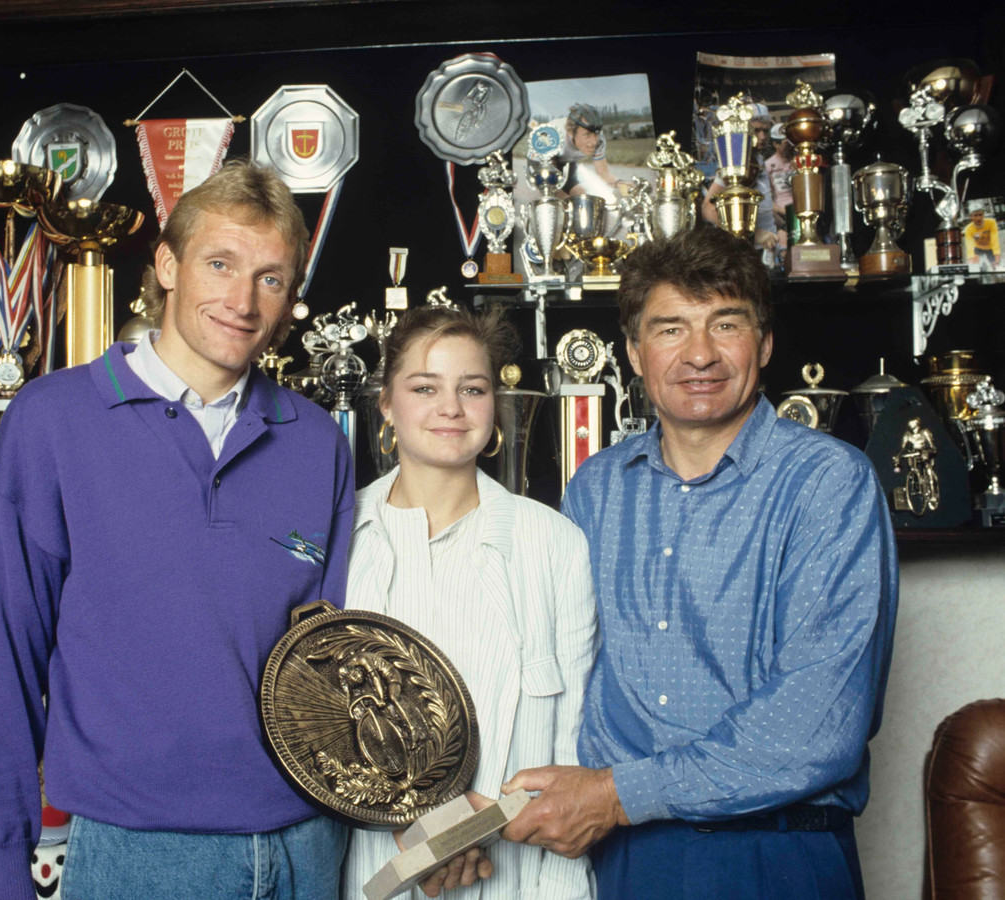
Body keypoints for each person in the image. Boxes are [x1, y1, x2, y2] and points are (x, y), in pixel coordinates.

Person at [0, 160, 355, 900]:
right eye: (221, 264)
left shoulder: (315, 440)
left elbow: (334, 661)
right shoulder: (52, 421)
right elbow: (5, 660)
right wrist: (6, 862)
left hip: (309, 844)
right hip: (136, 850)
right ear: (169, 265)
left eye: (271, 278)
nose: (243, 301)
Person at [501, 226, 898, 900]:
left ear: (765, 343)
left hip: (776, 856)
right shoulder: (595, 491)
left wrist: (615, 795)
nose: (700, 354)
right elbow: (550, 671)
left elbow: (816, 728)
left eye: (726, 324)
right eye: (670, 329)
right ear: (633, 350)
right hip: (621, 859)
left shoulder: (829, 484)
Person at [341, 305, 598, 900]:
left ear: (494, 404)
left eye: (471, 388)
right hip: (375, 875)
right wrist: (425, 822)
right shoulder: (340, 540)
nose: (451, 408)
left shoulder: (554, 542)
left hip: (524, 880)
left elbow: (576, 744)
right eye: (424, 387)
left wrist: (485, 824)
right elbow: (317, 730)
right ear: (386, 404)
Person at [700, 103, 785, 258]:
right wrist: (755, 233)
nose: (762, 137)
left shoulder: (757, 159)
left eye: (765, 130)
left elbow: (759, 204)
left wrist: (780, 223)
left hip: (769, 247)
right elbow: (708, 208)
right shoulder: (736, 161)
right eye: (756, 130)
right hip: (748, 249)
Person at [556, 103, 621, 199]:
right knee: (556, 197)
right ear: (571, 132)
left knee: (581, 194)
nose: (593, 142)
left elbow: (603, 173)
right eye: (587, 135)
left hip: (567, 162)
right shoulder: (556, 135)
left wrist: (621, 184)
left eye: (596, 135)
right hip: (544, 162)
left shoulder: (599, 140)